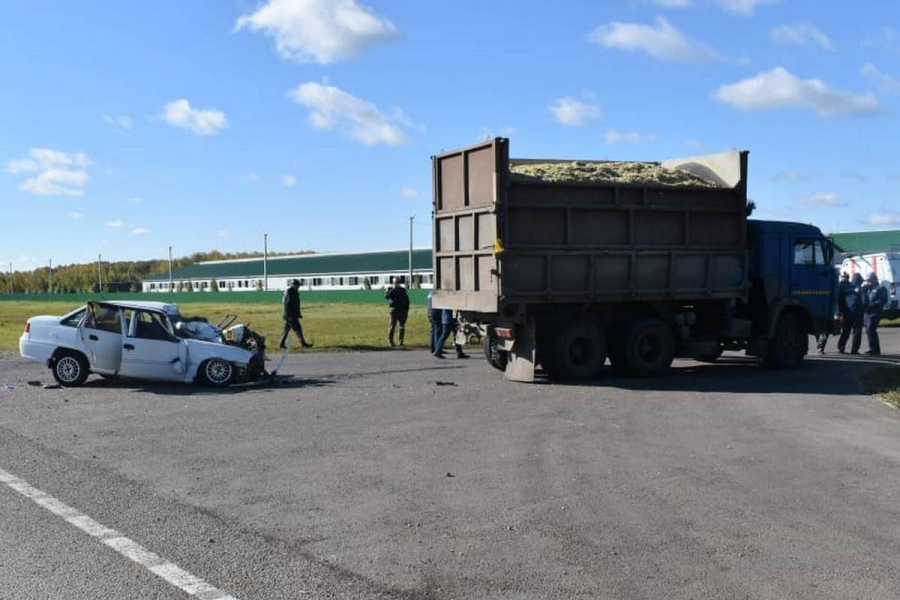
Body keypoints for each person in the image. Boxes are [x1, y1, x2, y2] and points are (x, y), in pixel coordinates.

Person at [278, 279, 312, 349]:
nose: (298, 286)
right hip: (290, 315)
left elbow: (296, 305)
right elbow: (286, 304)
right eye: (297, 285)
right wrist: (289, 315)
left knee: (286, 329)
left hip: (290, 315)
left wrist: (298, 314)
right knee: (298, 329)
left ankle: (281, 344)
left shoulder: (294, 292)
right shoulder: (289, 292)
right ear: (294, 285)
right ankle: (303, 344)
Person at [861, 272, 888, 356]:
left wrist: (872, 306)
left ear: (874, 280)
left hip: (875, 312)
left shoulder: (881, 288)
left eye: (870, 280)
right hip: (867, 312)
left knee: (871, 329)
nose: (868, 282)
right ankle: (872, 348)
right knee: (868, 330)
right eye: (867, 281)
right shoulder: (867, 289)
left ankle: (875, 350)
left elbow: (882, 301)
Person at [837, 272, 863, 355]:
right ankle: (854, 350)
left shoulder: (840, 287)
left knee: (846, 331)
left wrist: (840, 310)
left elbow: (838, 300)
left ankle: (841, 347)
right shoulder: (856, 287)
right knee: (856, 331)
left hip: (846, 312)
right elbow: (862, 301)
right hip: (855, 312)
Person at [384, 277, 410, 347]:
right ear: (393, 282)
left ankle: (401, 342)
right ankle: (390, 341)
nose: (397, 283)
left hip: (403, 311)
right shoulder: (390, 289)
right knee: (392, 326)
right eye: (395, 282)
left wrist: (407, 308)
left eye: (398, 282)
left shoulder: (403, 290)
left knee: (402, 327)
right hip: (394, 310)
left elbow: (406, 299)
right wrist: (394, 289)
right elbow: (387, 296)